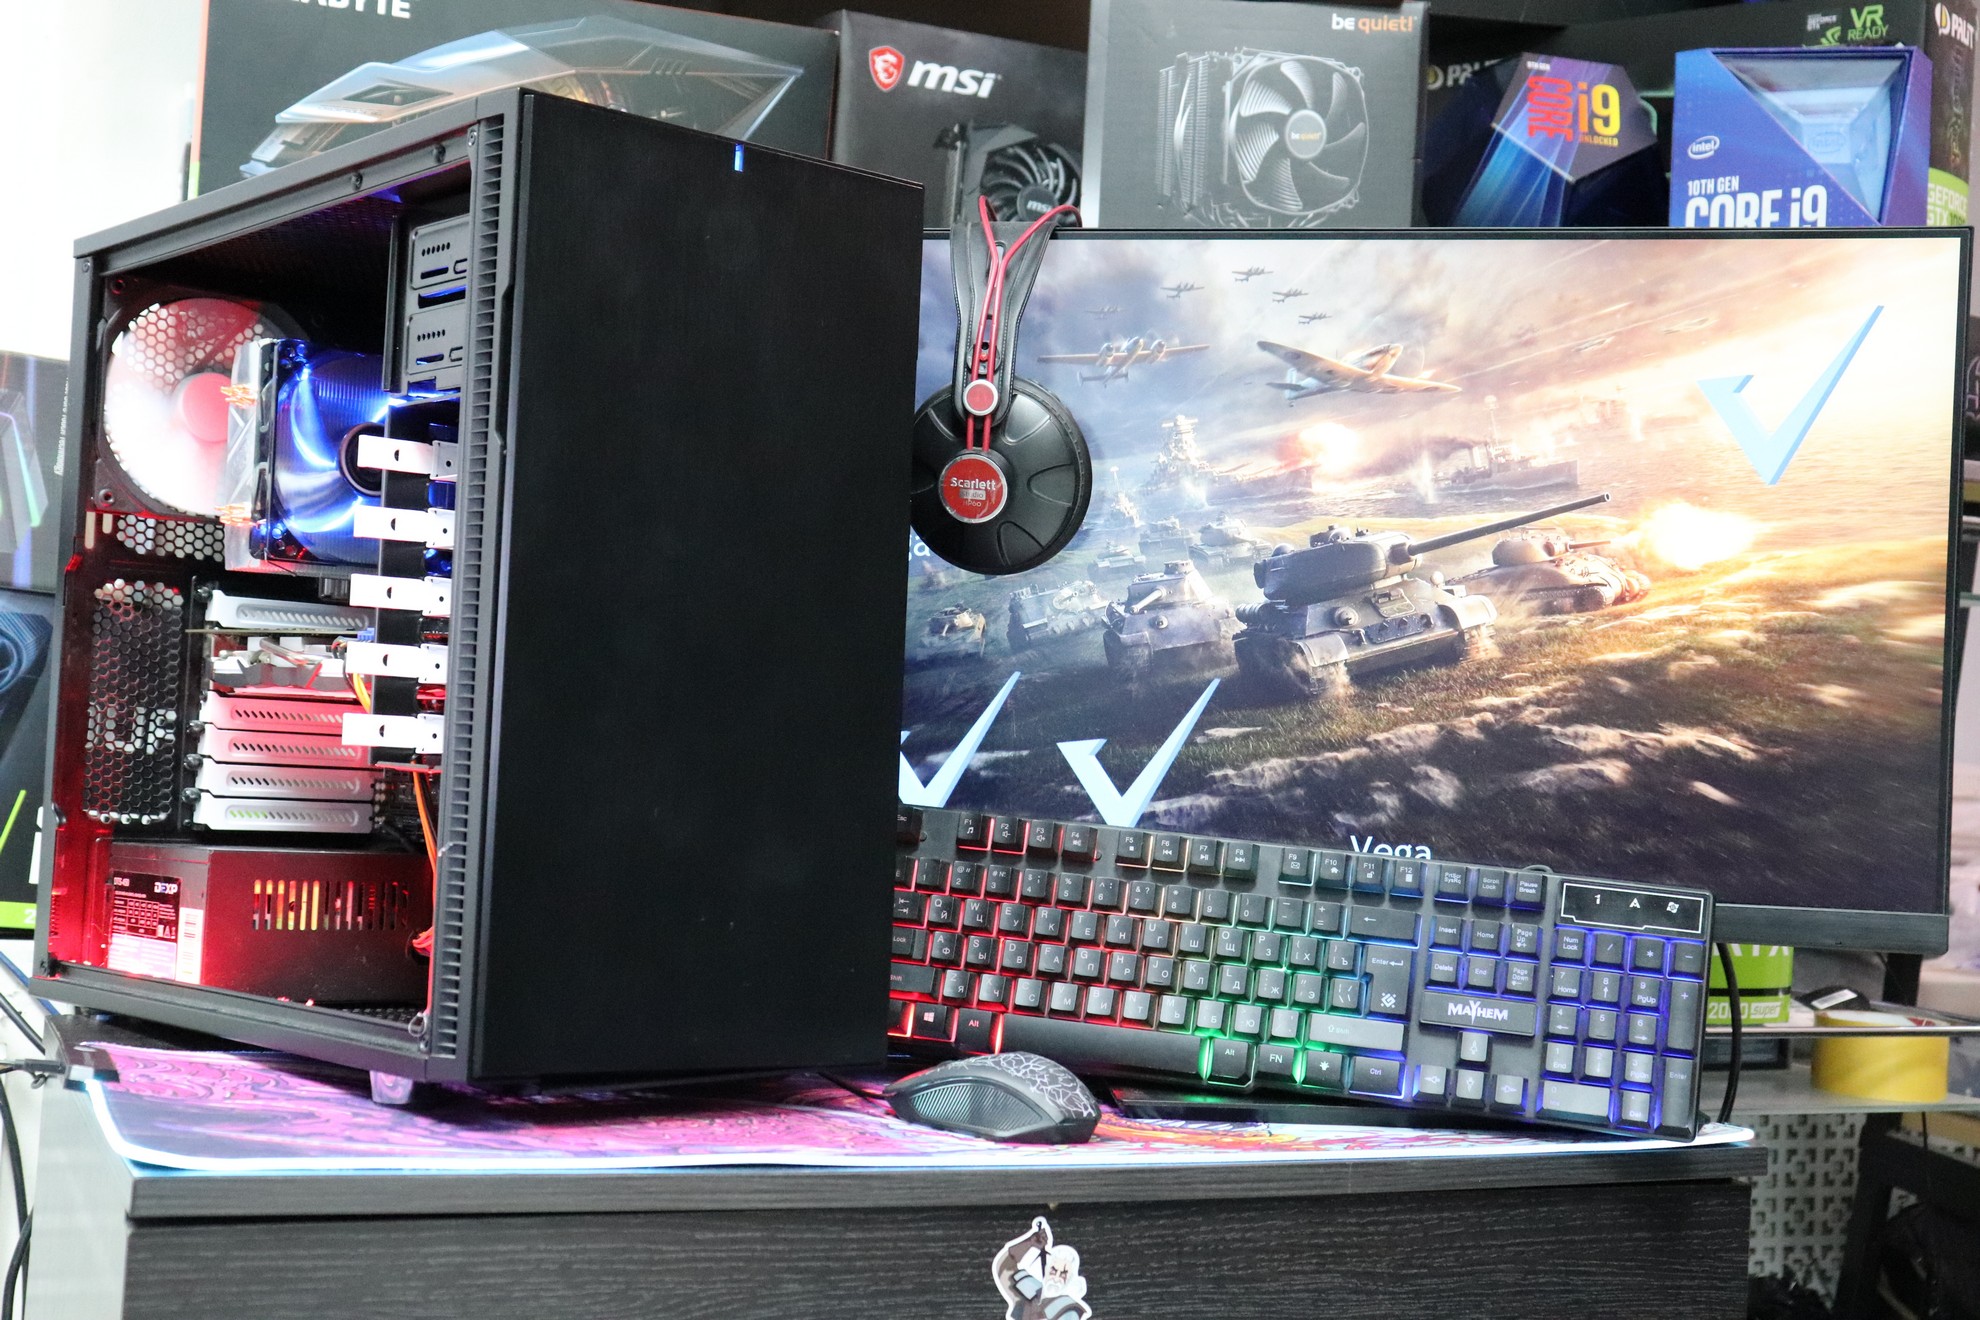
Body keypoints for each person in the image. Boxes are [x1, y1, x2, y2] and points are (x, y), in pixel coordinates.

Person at [991, 1217, 1091, 1320]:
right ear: (1046, 1269)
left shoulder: (1068, 1310)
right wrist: (1030, 1243)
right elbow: (1004, 1268)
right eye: (1053, 1271)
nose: (1056, 1278)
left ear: (1070, 1279)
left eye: (1063, 1274)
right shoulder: (1029, 1290)